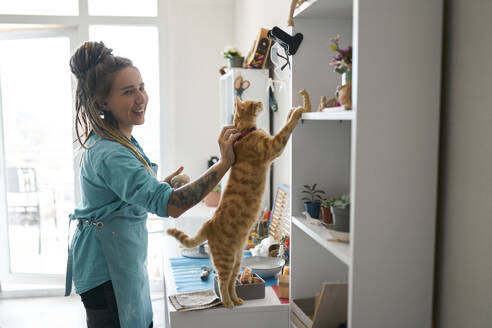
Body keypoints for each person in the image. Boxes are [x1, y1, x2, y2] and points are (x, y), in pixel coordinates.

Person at [65, 41, 240, 328]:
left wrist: (157, 186)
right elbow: (171, 206)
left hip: (117, 259)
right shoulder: (111, 152)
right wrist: (223, 164)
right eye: (128, 91)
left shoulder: (119, 139)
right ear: (102, 102)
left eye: (141, 87)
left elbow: (123, 196)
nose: (140, 98)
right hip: (107, 268)